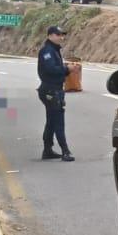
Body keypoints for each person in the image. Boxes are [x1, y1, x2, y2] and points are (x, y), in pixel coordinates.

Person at [37, 24, 74, 162]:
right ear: (50, 36)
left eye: (62, 35)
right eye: (58, 35)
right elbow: (51, 69)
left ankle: (47, 150)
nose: (61, 37)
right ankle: (65, 151)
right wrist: (67, 69)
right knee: (58, 121)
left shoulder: (54, 50)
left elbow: (55, 68)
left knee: (52, 121)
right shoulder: (47, 51)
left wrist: (66, 68)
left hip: (54, 89)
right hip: (50, 90)